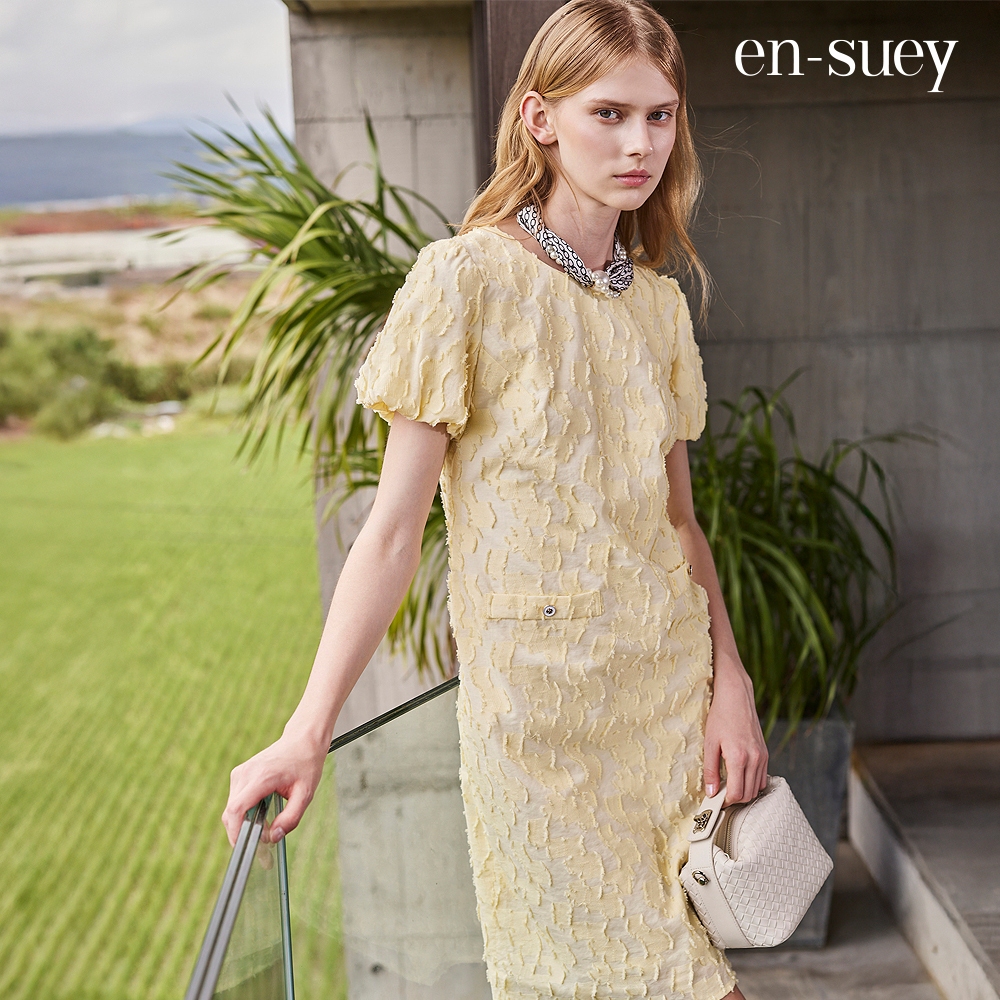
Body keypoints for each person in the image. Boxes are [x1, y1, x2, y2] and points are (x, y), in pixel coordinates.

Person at [223, 1, 768, 997]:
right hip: (540, 740)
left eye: (660, 116)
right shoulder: (463, 282)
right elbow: (392, 533)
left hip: (667, 710)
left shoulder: (657, 306)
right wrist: (308, 729)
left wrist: (728, 681)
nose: (640, 143)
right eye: (609, 113)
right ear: (540, 118)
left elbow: (679, 525)